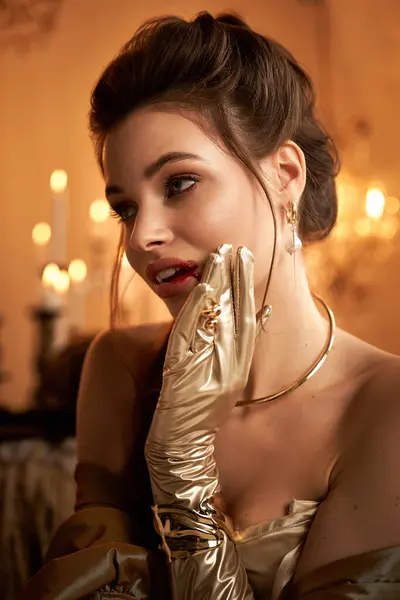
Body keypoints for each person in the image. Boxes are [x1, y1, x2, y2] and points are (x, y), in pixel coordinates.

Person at [20, 11, 400, 600]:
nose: (141, 235)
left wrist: (181, 474)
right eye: (125, 206)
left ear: (285, 175)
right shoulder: (121, 370)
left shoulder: (384, 408)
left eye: (178, 183)